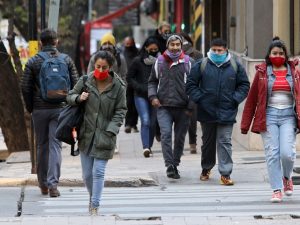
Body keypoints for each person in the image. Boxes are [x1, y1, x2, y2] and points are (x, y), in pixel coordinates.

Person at [67, 51, 127, 215]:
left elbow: (121, 110)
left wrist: (112, 129)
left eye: (104, 67)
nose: (100, 69)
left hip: (106, 135)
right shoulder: (86, 80)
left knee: (98, 172)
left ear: (110, 67)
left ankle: (94, 205)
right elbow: (70, 96)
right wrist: (79, 98)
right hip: (86, 134)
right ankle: (92, 197)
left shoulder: (118, 86)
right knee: (87, 175)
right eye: (98, 66)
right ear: (94, 65)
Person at [21, 28, 79, 197]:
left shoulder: (33, 61)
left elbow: (25, 87)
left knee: (41, 145)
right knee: (55, 145)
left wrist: (31, 107)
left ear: (40, 43)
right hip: (60, 109)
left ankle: (43, 185)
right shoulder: (66, 60)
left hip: (39, 109)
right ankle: (53, 184)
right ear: (56, 42)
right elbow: (75, 85)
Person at [241, 37, 299, 202]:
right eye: (275, 53)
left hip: (289, 116)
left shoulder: (294, 72)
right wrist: (245, 124)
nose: (278, 55)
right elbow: (252, 99)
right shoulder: (262, 72)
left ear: (285, 54)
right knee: (273, 154)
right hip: (269, 117)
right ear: (269, 54)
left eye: (281, 53)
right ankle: (276, 189)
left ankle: (286, 178)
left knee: (287, 154)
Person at [186, 38, 249, 185]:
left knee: (225, 141)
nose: (216, 52)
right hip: (206, 111)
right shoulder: (201, 65)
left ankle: (225, 173)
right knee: (208, 142)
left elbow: (244, 85)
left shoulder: (235, 66)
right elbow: (190, 85)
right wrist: (200, 98)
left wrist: (235, 99)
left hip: (227, 110)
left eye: (219, 50)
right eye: (214, 50)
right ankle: (206, 167)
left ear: (225, 50)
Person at [148, 34, 193, 179]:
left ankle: (176, 163)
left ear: (181, 46)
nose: (174, 47)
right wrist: (153, 96)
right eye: (172, 44)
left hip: (183, 107)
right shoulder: (159, 62)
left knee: (179, 138)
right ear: (167, 46)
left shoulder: (188, 62)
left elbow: (194, 85)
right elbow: (152, 82)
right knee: (166, 135)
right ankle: (169, 165)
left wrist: (191, 105)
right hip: (164, 107)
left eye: (177, 45)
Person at [127, 36, 160, 157]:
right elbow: (129, 78)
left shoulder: (160, 61)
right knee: (145, 120)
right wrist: (139, 87)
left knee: (152, 122)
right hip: (140, 95)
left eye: (156, 49)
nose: (153, 51)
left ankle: (149, 146)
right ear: (146, 48)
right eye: (151, 49)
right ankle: (145, 147)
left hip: (155, 95)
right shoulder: (137, 61)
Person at [180, 32, 203, 154]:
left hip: (193, 90)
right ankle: (179, 143)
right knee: (179, 119)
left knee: (192, 118)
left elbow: (201, 72)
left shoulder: (197, 55)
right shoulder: (172, 55)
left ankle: (192, 143)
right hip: (177, 91)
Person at [122, 36, 139, 134]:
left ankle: (134, 124)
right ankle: (128, 124)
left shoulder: (138, 53)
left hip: (137, 82)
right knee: (128, 104)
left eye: (130, 44)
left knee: (136, 104)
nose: (128, 46)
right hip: (126, 83)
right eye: (126, 44)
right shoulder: (122, 55)